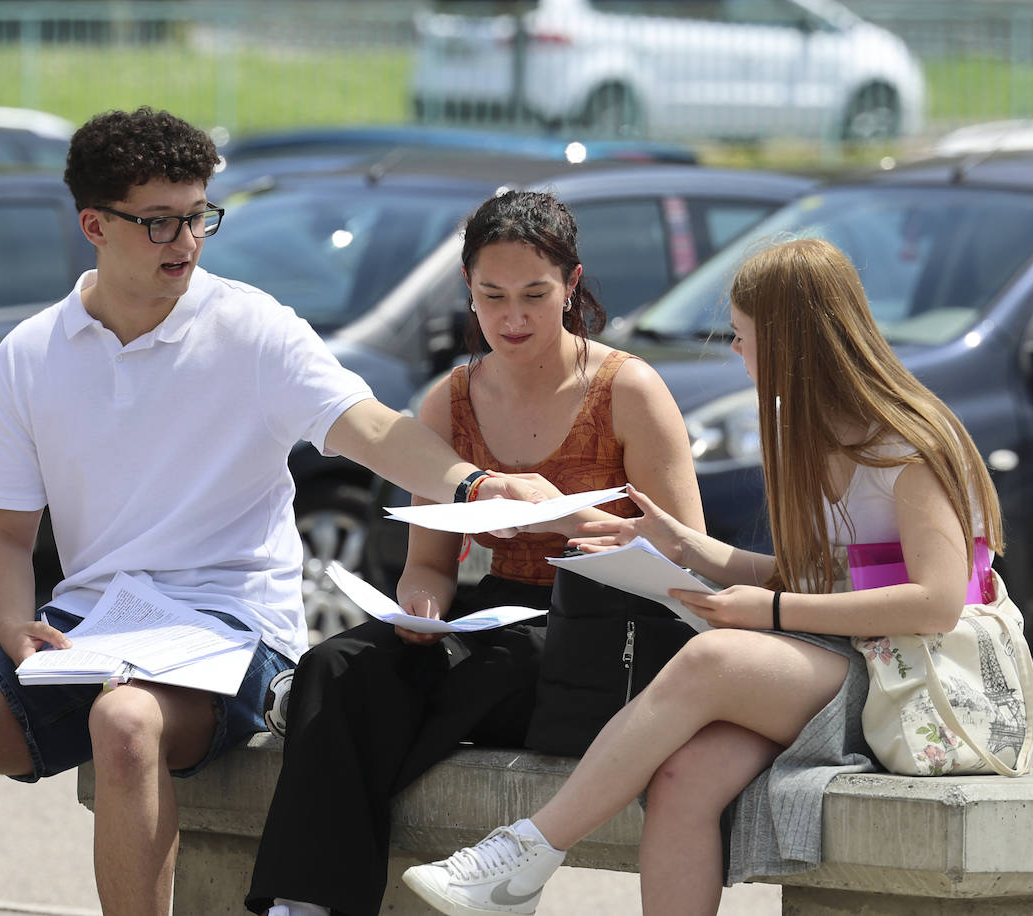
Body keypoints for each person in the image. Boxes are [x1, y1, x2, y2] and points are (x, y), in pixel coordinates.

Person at [0, 106, 548, 916]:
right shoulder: (29, 355)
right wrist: (17, 630)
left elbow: (367, 428)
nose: (185, 242)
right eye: (159, 223)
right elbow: (4, 541)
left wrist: (473, 485)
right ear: (95, 224)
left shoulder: (251, 329)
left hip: (234, 634)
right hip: (85, 630)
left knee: (124, 725)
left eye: (198, 218)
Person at [401, 236, 1007, 915]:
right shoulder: (810, 432)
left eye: (743, 337)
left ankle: (526, 854)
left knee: (714, 656)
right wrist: (685, 547)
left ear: (791, 342)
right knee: (682, 777)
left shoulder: (910, 441)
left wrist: (770, 614)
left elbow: (936, 603)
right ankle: (521, 866)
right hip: (862, 660)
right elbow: (820, 576)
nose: (736, 353)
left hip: (927, 675)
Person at [245, 189, 705, 916]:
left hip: (607, 619)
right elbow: (429, 562)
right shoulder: (449, 400)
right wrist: (422, 609)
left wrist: (558, 522)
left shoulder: (627, 390)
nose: (513, 318)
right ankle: (305, 905)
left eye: (534, 294)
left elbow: (691, 557)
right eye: (492, 296)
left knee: (494, 666)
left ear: (572, 285)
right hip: (496, 615)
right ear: (468, 290)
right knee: (336, 668)